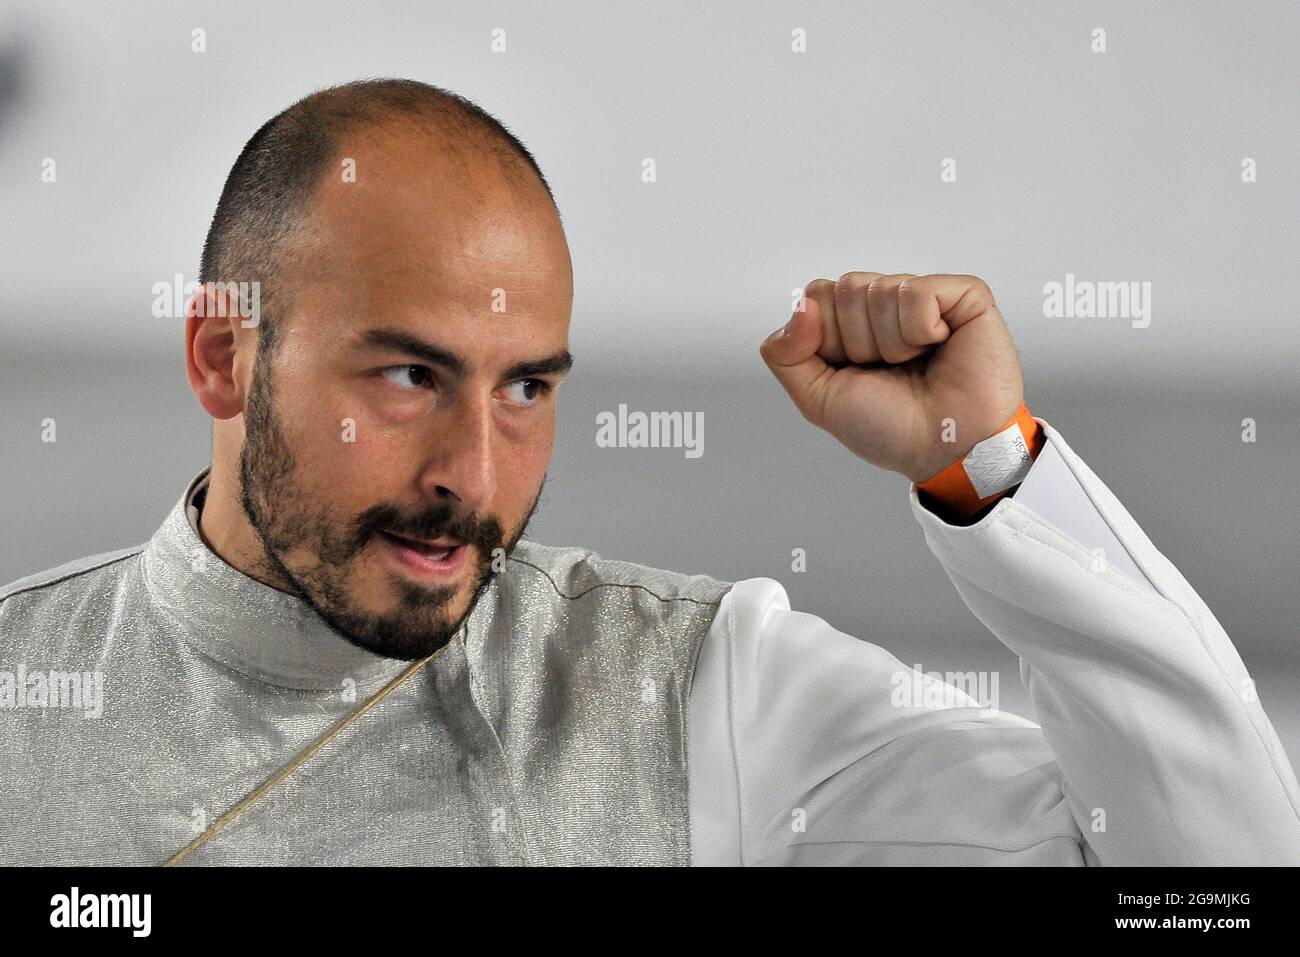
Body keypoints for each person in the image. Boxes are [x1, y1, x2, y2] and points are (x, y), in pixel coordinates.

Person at [2, 78, 1296, 866]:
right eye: (408, 376)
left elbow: (1208, 874)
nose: (474, 472)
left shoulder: (696, 693)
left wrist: (990, 469)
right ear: (227, 355)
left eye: (527, 387)